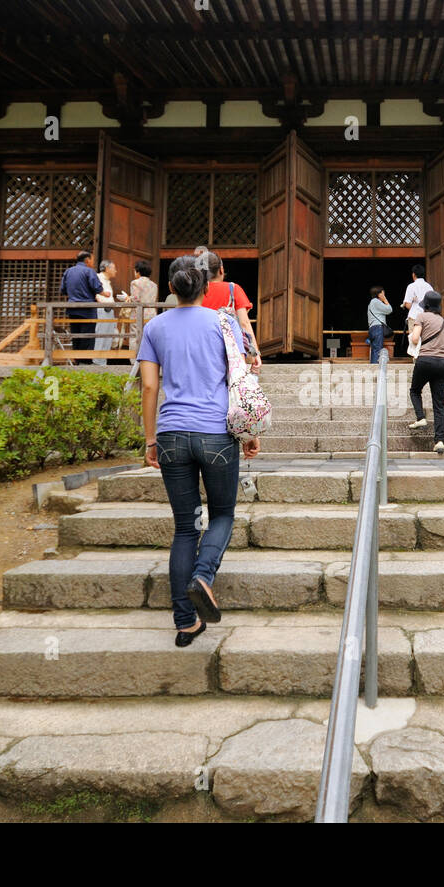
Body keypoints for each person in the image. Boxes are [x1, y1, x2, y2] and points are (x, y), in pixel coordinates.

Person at [138, 255, 261, 647]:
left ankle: (185, 621)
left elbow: (149, 388)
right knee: (223, 513)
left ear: (172, 289)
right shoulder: (223, 322)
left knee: (185, 526)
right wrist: (249, 431)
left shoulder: (154, 327)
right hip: (217, 435)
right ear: (207, 289)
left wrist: (150, 439)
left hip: (172, 435)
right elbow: (238, 377)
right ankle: (204, 576)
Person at [198, 250, 262, 373]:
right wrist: (255, 353)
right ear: (221, 269)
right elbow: (244, 323)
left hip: (203, 347)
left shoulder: (196, 292)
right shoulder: (233, 288)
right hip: (230, 349)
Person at [406, 290, 444, 453]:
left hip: (425, 360)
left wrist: (414, 335)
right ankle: (439, 441)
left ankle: (421, 418)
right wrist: (439, 357)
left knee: (414, 391)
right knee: (439, 404)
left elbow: (414, 339)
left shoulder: (421, 317)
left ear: (425, 304)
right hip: (442, 363)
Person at [59, 251, 107, 364]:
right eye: (92, 260)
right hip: (87, 309)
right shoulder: (89, 271)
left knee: (76, 335)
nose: (93, 262)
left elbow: (63, 290)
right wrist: (105, 294)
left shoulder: (68, 271)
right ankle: (85, 361)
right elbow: (97, 288)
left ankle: (77, 359)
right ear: (87, 260)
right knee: (88, 335)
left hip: (72, 308)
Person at [92, 259, 128, 365]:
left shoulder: (107, 281)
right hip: (103, 309)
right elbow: (96, 294)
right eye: (114, 268)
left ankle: (103, 361)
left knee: (109, 336)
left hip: (109, 310)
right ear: (107, 269)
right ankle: (98, 361)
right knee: (101, 335)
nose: (116, 271)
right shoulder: (98, 278)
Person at [402, 264, 434, 330]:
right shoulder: (429, 287)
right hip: (427, 318)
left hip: (414, 317)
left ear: (413, 274)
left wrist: (415, 306)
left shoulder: (411, 286)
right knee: (426, 339)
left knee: (414, 339)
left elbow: (407, 304)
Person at [367, 286, 393, 364]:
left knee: (374, 350)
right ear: (379, 294)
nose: (384, 295)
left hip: (372, 328)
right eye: (383, 293)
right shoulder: (376, 302)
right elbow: (389, 310)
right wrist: (385, 300)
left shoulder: (371, 303)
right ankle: (376, 371)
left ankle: (373, 369)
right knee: (378, 350)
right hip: (378, 328)